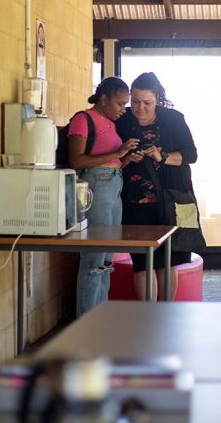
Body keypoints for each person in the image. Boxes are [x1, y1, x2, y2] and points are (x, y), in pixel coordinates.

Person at [116, 72, 199, 301]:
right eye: (135, 101)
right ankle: (147, 316)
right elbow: (112, 162)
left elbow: (190, 155)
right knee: (142, 264)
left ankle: (165, 314)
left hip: (171, 201)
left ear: (158, 99)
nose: (140, 108)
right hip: (135, 203)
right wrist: (126, 157)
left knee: (168, 260)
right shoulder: (122, 121)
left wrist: (160, 156)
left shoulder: (172, 119)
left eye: (147, 103)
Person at [68, 77, 140, 317]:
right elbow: (77, 160)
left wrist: (124, 159)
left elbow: (110, 159)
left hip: (113, 184)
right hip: (97, 185)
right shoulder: (83, 119)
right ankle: (86, 322)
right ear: (104, 99)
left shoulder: (108, 122)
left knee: (107, 259)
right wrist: (118, 152)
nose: (123, 109)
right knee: (94, 257)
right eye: (120, 104)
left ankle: (100, 318)